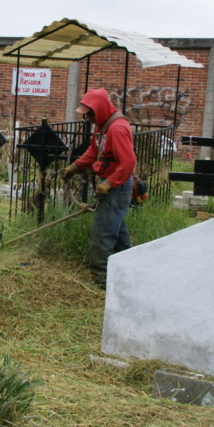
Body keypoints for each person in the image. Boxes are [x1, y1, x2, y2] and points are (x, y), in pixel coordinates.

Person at [62, 88, 136, 288]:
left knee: (102, 233)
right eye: (86, 114)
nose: (88, 118)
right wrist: (74, 167)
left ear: (100, 109)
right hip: (111, 184)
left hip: (117, 187)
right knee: (118, 234)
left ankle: (102, 279)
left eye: (90, 114)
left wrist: (109, 183)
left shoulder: (117, 129)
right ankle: (129, 272)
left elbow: (128, 163)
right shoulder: (101, 126)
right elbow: (94, 151)